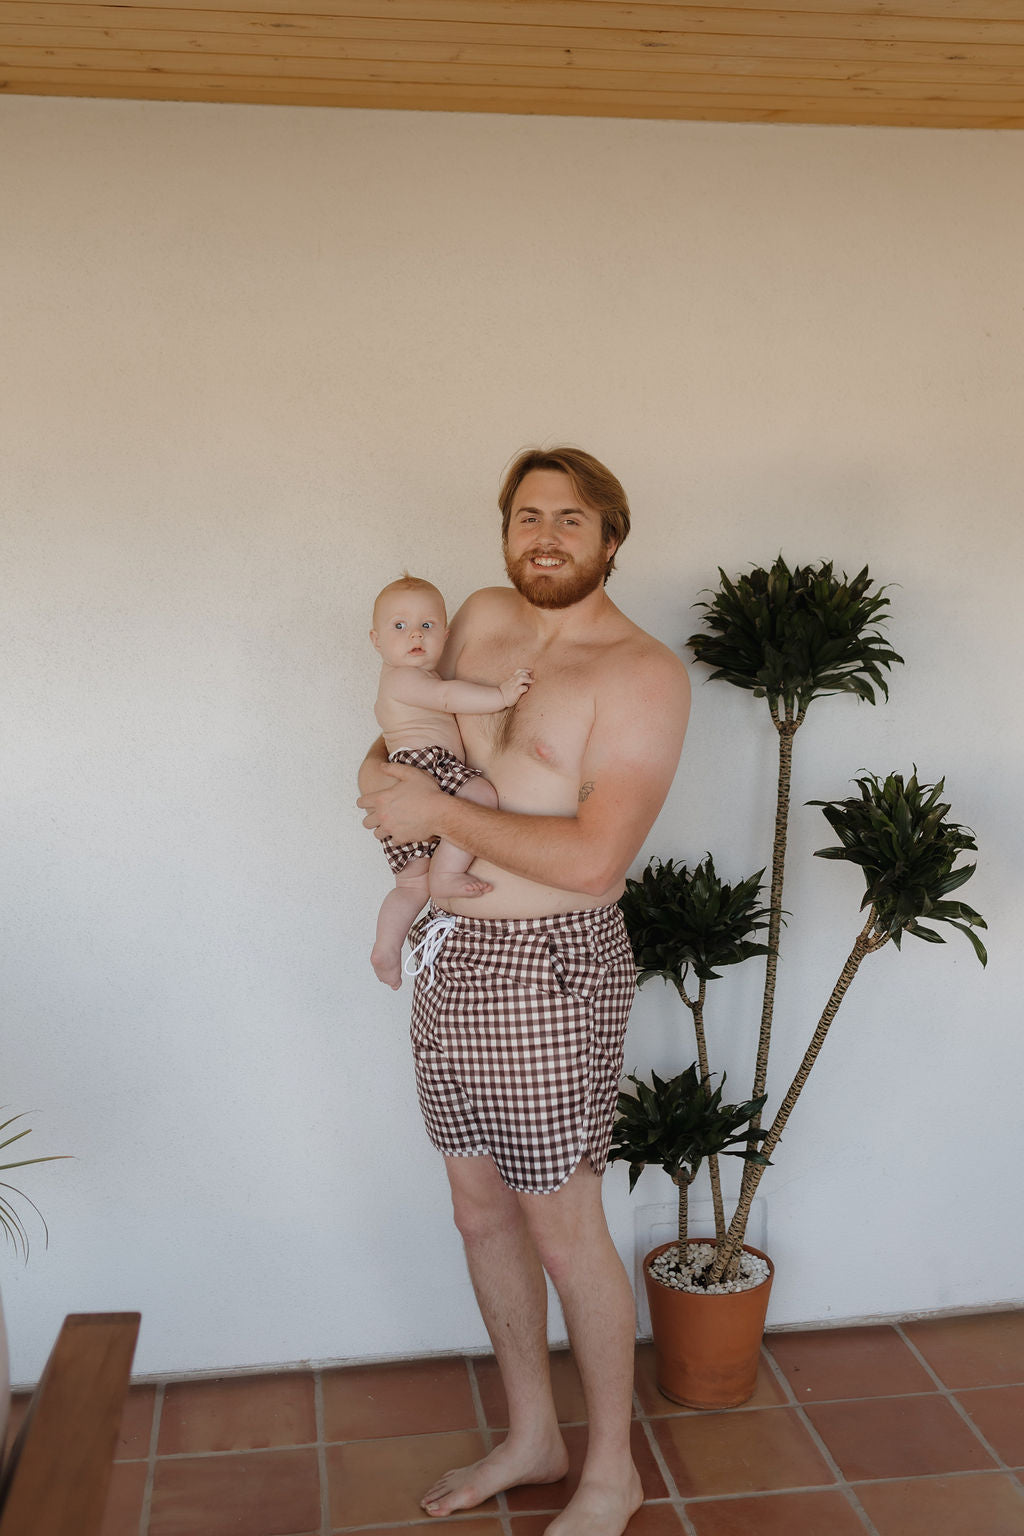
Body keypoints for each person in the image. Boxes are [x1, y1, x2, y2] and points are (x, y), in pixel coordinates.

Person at [358, 447, 690, 1536]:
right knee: (477, 1211)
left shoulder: (641, 673)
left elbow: (594, 861)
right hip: (454, 959)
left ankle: (612, 1471)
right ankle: (532, 1434)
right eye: (528, 515)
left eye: (572, 518)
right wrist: (380, 785)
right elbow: (410, 728)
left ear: (610, 538)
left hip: (550, 970)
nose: (545, 534)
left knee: (562, 1227)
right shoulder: (485, 616)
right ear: (506, 531)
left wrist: (435, 819)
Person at [369, 573, 533, 988]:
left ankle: (386, 948)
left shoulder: (412, 678)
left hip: (408, 771)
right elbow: (448, 698)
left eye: (427, 625)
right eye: (399, 626)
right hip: (425, 765)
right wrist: (501, 696)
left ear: (445, 634)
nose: (415, 635)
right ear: (376, 640)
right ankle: (446, 875)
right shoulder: (404, 678)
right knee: (480, 795)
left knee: (410, 883)